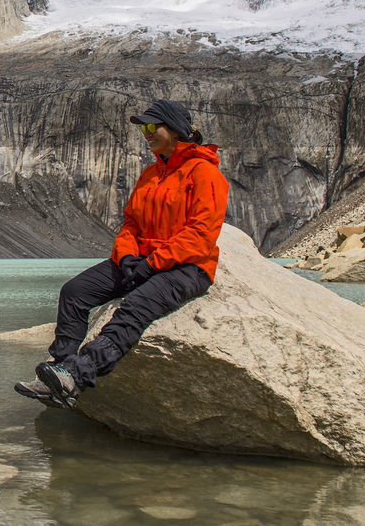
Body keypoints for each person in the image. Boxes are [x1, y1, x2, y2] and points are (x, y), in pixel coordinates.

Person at [14, 99, 229, 408]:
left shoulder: (205, 174)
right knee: (74, 292)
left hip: (188, 267)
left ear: (176, 130)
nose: (147, 133)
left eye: (153, 127)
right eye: (144, 128)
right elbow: (131, 224)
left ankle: (79, 374)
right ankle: (59, 370)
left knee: (133, 308)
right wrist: (127, 257)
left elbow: (200, 235)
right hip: (142, 260)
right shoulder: (150, 175)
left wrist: (152, 263)